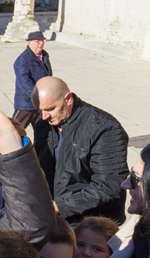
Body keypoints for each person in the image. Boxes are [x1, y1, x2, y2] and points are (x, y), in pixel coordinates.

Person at [32, 76, 129, 223]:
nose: (44, 116)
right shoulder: (43, 125)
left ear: (68, 99)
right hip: (54, 216)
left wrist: (59, 206)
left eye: (50, 109)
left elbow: (109, 185)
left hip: (93, 222)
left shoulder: (105, 128)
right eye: (39, 111)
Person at [12, 31, 52, 127]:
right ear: (29, 43)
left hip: (40, 103)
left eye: (42, 40)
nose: (41, 43)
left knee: (43, 132)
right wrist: (36, 97)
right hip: (26, 103)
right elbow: (24, 82)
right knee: (14, 130)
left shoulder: (44, 56)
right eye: (37, 41)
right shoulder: (22, 59)